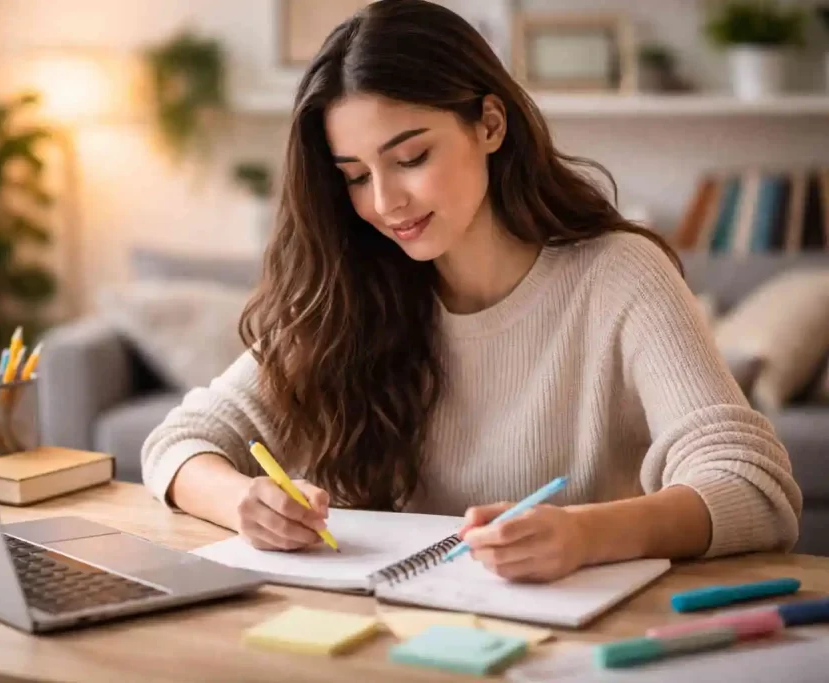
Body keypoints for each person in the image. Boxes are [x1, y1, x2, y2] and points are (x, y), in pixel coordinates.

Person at [142, 0, 801, 582]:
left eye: (410, 158)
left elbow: (755, 486)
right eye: (354, 175)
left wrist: (586, 534)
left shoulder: (620, 276)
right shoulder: (354, 288)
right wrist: (241, 502)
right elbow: (179, 440)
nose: (384, 201)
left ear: (489, 124)